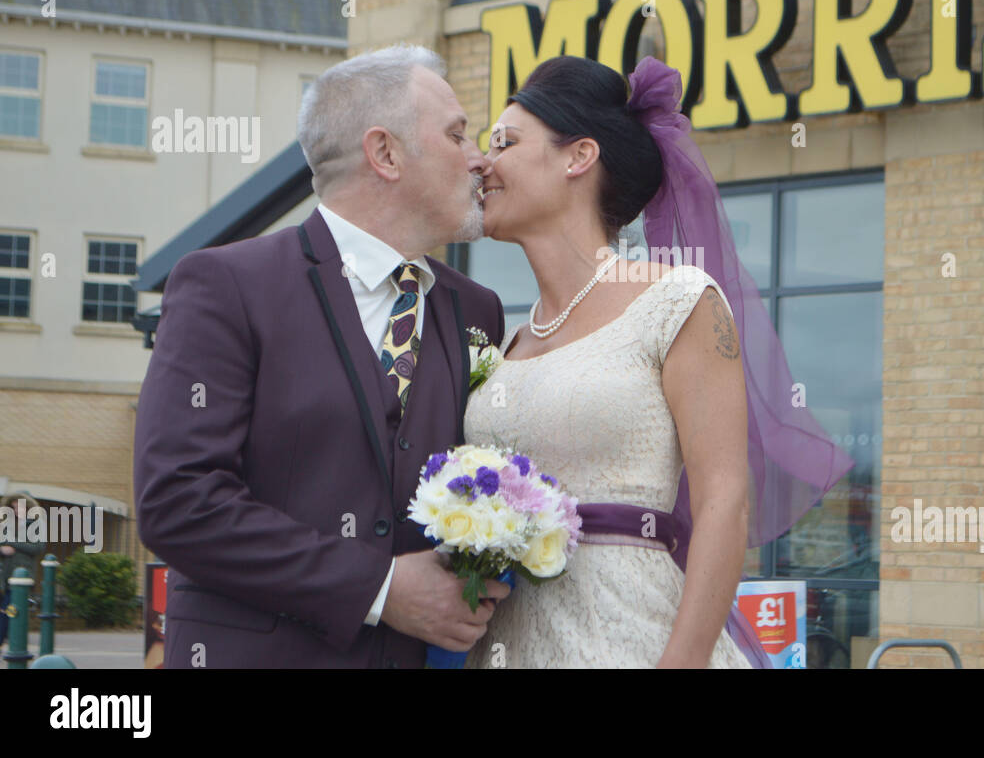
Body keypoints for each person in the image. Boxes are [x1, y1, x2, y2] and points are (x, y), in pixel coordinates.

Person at [463, 55, 853, 668]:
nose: (483, 163)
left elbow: (725, 499)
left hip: (635, 640)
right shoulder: (507, 343)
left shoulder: (676, 301)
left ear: (578, 157)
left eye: (505, 143)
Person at [134, 44, 511, 668]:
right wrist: (380, 588)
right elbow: (178, 499)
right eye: (457, 134)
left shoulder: (478, 311)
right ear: (385, 152)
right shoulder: (226, 285)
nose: (478, 160)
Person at [0, 492, 46, 646]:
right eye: (12, 507)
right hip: (5, 576)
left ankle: (9, 642)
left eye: (18, 506)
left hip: (22, 576)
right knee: (8, 610)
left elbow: (38, 547)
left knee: (10, 610)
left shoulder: (36, 524)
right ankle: (12, 641)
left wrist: (13, 543)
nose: (15, 510)